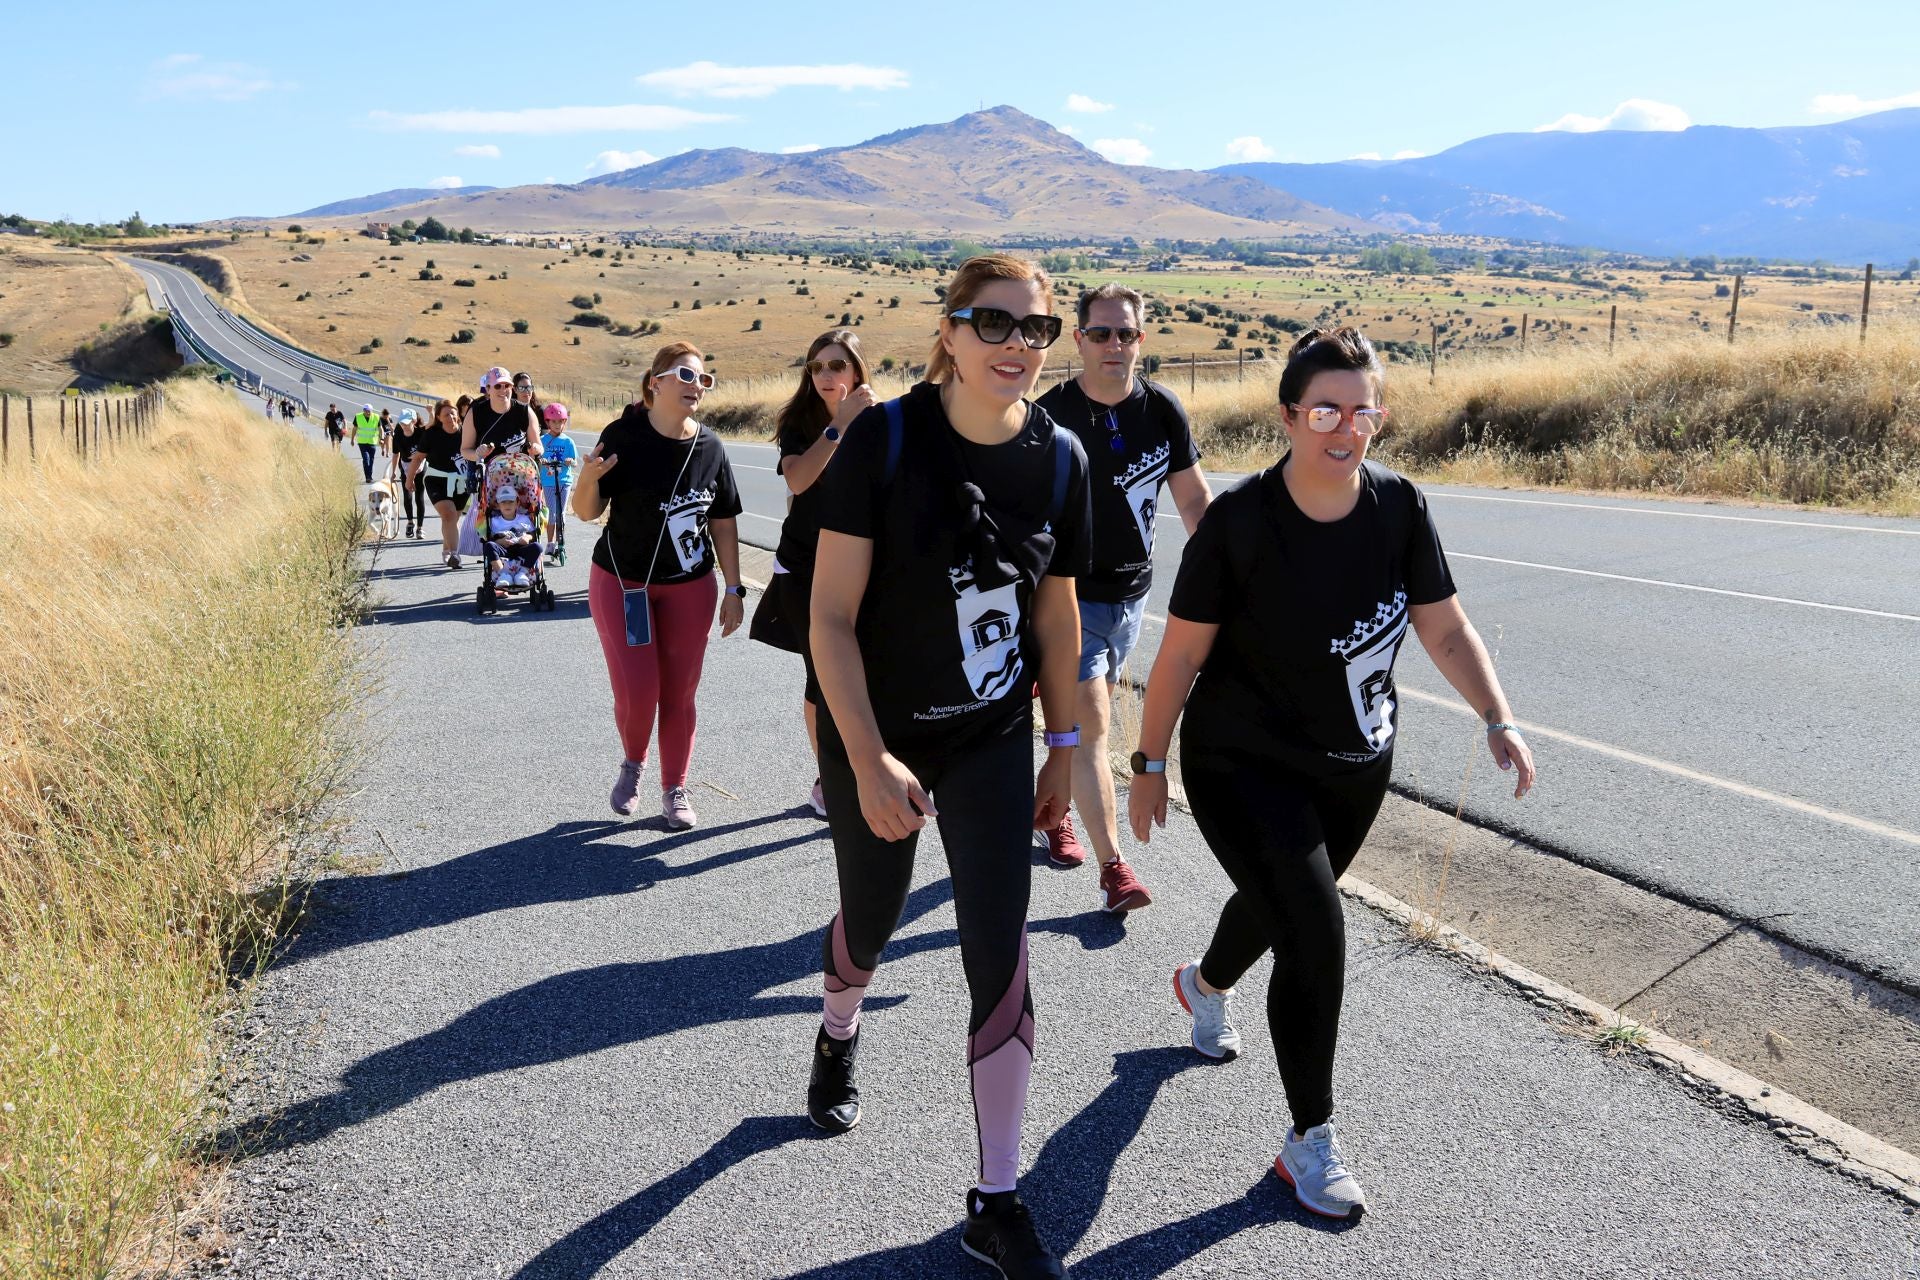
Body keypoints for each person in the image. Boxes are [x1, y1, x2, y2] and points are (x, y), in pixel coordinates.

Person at [1128, 328, 1538, 1223]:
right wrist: (1150, 763)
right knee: (1315, 927)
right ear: (1289, 416)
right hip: (1242, 761)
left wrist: (1496, 716)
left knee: (1284, 904)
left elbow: (1444, 628)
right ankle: (1308, 1142)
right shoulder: (1240, 523)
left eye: (1364, 410)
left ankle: (1203, 984)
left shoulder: (1399, 508)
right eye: (1326, 409)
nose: (1346, 427)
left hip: (1354, 764)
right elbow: (1181, 656)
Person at [804, 254, 1088, 1279]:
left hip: (988, 738)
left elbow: (1055, 613)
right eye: (994, 324)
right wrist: (869, 755)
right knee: (871, 920)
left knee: (998, 946)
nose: (1018, 346)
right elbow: (829, 619)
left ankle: (996, 1196)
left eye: (1037, 329)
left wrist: (1064, 744)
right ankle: (839, 1027)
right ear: (950, 334)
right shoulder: (883, 439)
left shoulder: (1061, 460)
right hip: (873, 726)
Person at [1035, 284, 1212, 915]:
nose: (1116, 345)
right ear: (1078, 339)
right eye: (1102, 333)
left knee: (1079, 727)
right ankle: (1115, 870)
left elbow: (1193, 501)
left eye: (1127, 334)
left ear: (1141, 339)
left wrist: (1223, 575)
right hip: (1068, 603)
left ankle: (1053, 809)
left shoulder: (1162, 409)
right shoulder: (1048, 415)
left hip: (1132, 599)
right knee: (1095, 732)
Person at [572, 342, 745, 830]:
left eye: (703, 380)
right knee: (639, 690)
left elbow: (725, 521)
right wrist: (587, 478)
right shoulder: (623, 436)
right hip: (622, 584)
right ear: (657, 382)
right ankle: (633, 762)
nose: (697, 387)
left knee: (680, 694)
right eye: (686, 376)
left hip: (690, 587)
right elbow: (586, 512)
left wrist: (734, 588)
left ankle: (675, 788)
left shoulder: (710, 447)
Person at [765, 328, 875, 819]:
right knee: (822, 677)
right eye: (817, 367)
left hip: (867, 569)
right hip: (806, 569)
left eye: (836, 365)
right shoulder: (801, 421)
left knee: (869, 676)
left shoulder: (882, 420)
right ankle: (828, 776)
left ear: (856, 370)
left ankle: (870, 766)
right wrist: (838, 428)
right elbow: (798, 478)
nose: (826, 376)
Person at [418, 399, 470, 567]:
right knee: (448, 514)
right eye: (446, 414)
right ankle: (455, 555)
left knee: (452, 519)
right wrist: (410, 480)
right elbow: (418, 457)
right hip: (436, 480)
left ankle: (446, 551)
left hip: (461, 482)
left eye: (453, 413)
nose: (450, 417)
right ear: (439, 417)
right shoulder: (432, 434)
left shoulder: (466, 432)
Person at [462, 367, 542, 468]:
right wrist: (477, 454)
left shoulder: (525, 411)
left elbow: (540, 447)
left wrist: (535, 449)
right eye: (497, 386)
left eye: (507, 386)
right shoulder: (475, 412)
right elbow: (465, 450)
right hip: (487, 477)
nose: (503, 390)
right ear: (488, 389)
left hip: (521, 475)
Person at [484, 483, 542, 588]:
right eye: (503, 502)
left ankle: (522, 573)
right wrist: (501, 542)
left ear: (517, 503)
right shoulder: (494, 521)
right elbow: (490, 540)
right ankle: (503, 574)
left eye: (511, 502)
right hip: (503, 549)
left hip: (521, 548)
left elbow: (532, 535)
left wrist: (527, 538)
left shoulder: (524, 519)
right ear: (497, 504)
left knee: (537, 547)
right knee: (488, 546)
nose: (507, 505)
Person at [537, 402, 578, 529]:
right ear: (548, 422)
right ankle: (550, 543)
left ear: (564, 422)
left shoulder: (568, 441)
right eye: (554, 422)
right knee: (551, 514)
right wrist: (541, 461)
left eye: (560, 421)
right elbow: (537, 458)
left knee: (561, 514)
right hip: (548, 481)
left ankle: (561, 543)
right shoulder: (542, 440)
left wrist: (570, 461)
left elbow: (575, 462)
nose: (557, 425)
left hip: (564, 480)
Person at [387, 409, 427, 538]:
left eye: (406, 423)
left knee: (419, 496)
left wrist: (431, 412)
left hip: (420, 467)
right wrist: (392, 472)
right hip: (405, 467)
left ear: (414, 421)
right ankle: (410, 522)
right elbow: (395, 454)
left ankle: (420, 528)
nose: (403, 425)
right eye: (402, 423)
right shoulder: (398, 434)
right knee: (407, 494)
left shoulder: (421, 433)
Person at [351, 403, 381, 482]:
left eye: (369, 411)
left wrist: (382, 438)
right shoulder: (358, 416)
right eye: (366, 411)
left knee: (371, 459)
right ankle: (367, 477)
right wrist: (352, 439)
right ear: (363, 410)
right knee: (366, 459)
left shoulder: (376, 417)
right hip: (362, 442)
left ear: (372, 411)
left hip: (372, 442)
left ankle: (369, 476)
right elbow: (354, 428)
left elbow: (380, 428)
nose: (368, 412)